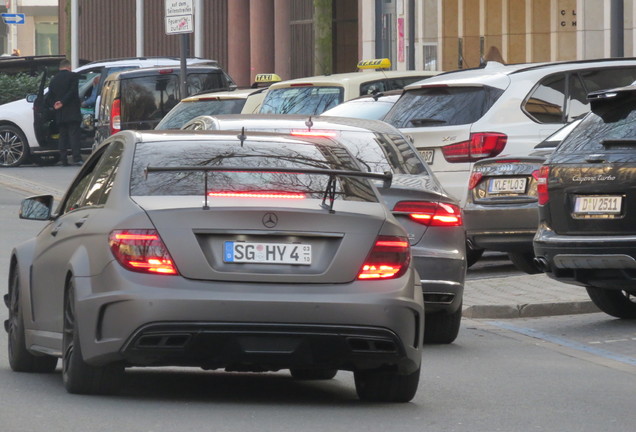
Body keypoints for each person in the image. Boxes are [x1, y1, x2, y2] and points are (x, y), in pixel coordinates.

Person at [47, 58, 83, 166]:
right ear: (69, 67)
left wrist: (55, 104)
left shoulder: (54, 79)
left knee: (62, 136)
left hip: (60, 112)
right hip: (72, 111)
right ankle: (76, 158)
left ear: (60, 68)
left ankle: (63, 159)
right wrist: (62, 102)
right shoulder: (73, 76)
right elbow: (73, 92)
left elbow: (50, 96)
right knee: (74, 135)